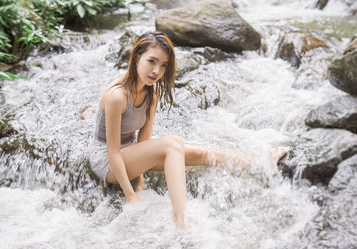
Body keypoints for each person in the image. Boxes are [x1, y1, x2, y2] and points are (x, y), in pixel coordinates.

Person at [88, 31, 286, 228]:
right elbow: (113, 152)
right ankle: (181, 219)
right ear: (137, 57)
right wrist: (131, 195)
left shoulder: (151, 92)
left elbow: (143, 142)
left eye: (163, 65)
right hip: (107, 161)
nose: (156, 70)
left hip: (129, 152)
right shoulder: (116, 96)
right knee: (173, 143)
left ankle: (257, 163)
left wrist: (140, 178)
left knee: (199, 152)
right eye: (152, 61)